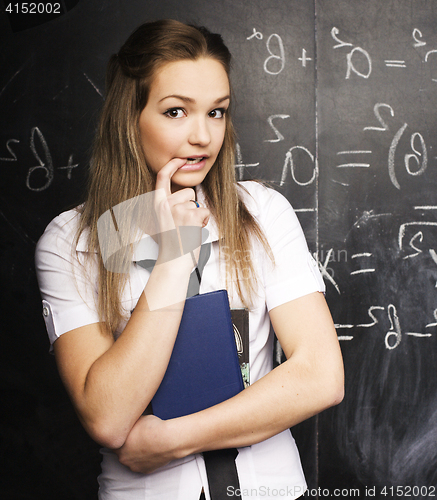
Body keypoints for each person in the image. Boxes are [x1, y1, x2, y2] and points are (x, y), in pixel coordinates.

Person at [35, 19, 344, 500]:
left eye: (216, 113)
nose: (203, 136)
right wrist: (174, 258)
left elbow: (321, 376)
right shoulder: (73, 241)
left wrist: (172, 439)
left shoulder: (260, 212)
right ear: (129, 116)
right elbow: (108, 417)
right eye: (176, 111)